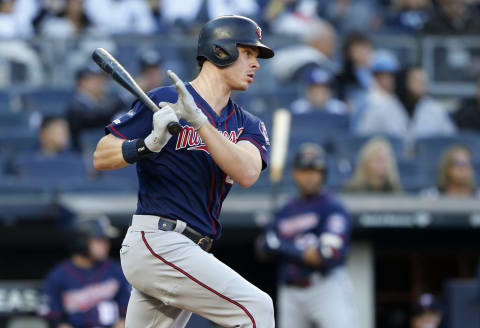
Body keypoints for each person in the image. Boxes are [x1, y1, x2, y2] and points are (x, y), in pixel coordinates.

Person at [93, 15, 275, 327]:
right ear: (221, 51)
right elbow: (102, 154)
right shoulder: (165, 100)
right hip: (157, 240)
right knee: (257, 310)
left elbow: (246, 172)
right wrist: (148, 144)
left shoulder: (248, 124)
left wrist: (200, 122)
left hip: (192, 250)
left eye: (256, 56)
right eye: (247, 53)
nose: (255, 63)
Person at [258, 143, 356, 328]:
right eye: (304, 170)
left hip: (325, 287)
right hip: (290, 291)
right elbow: (262, 250)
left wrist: (281, 246)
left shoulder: (332, 208)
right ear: (295, 173)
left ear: (323, 174)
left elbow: (327, 255)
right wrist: (268, 242)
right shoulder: (284, 210)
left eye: (315, 171)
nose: (310, 176)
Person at [41, 216, 130, 328]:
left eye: (105, 240)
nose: (106, 245)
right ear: (81, 241)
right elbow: (54, 319)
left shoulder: (117, 271)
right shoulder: (58, 275)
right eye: (99, 241)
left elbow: (127, 314)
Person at [66, 65, 123, 153]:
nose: (101, 83)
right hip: (81, 159)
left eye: (102, 80)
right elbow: (97, 117)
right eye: (94, 80)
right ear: (82, 82)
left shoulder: (102, 103)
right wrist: (124, 98)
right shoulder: (75, 106)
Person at [354, 50, 409, 138]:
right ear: (375, 76)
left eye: (392, 75)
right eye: (384, 75)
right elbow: (362, 135)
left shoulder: (394, 99)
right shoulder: (368, 100)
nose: (390, 80)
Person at [396, 65, 456, 140]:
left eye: (424, 81)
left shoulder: (436, 110)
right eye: (417, 80)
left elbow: (450, 138)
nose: (422, 84)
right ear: (405, 81)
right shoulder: (391, 104)